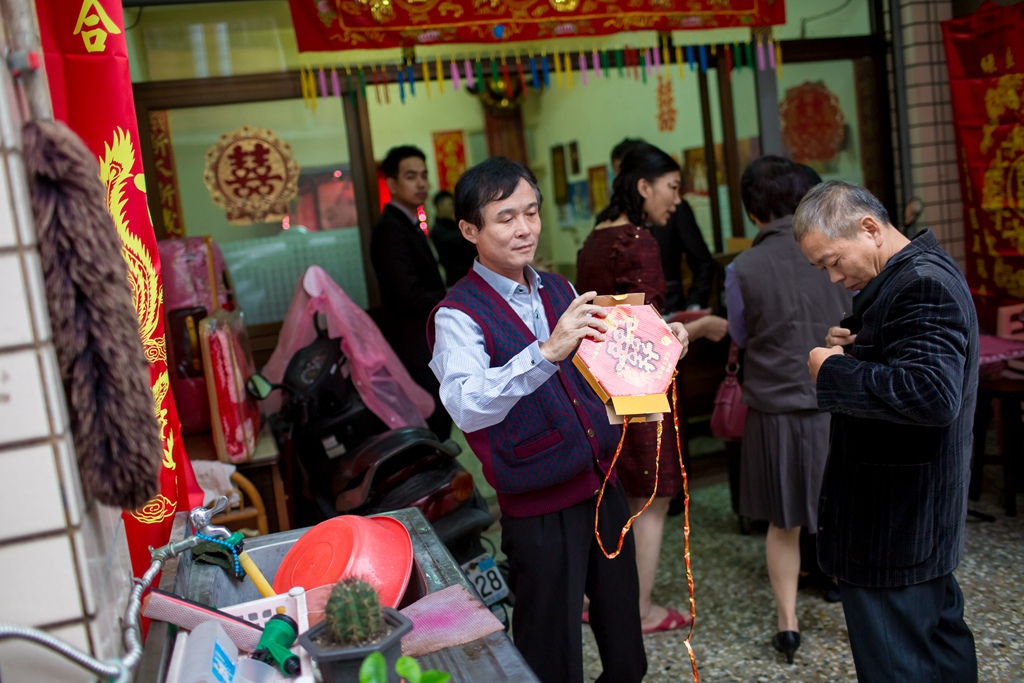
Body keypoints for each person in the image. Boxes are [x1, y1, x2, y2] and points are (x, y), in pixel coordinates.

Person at [428, 157, 690, 683]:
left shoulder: (560, 289)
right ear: (470, 230)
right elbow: (466, 405)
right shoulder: (456, 315)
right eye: (505, 218)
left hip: (603, 486)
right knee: (552, 659)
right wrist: (546, 352)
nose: (524, 228)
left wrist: (661, 348)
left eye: (531, 212)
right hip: (538, 507)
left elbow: (602, 373)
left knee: (628, 654)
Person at [796, 181, 979, 682]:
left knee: (899, 666)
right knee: (940, 650)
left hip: (896, 524)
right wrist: (854, 350)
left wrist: (832, 371)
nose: (835, 277)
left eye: (834, 261)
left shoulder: (920, 284)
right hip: (914, 519)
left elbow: (931, 394)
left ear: (870, 228)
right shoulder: (913, 274)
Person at [576, 142, 728, 635]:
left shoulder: (595, 237)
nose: (677, 200)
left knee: (615, 494)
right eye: (672, 188)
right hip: (637, 385)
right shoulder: (638, 240)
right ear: (644, 186)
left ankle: (597, 597)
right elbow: (647, 329)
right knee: (652, 497)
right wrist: (697, 328)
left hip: (598, 383)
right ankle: (638, 610)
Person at [724, 156, 852, 664]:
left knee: (783, 523)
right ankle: (857, 610)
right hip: (837, 401)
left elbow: (740, 334)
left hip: (774, 408)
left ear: (753, 211)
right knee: (845, 513)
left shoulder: (742, 268)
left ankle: (788, 624)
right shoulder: (835, 253)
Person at [370, 145, 452, 439]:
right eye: (411, 176)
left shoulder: (410, 223)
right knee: (432, 423)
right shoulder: (390, 230)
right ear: (392, 184)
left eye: (424, 175)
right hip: (414, 346)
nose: (421, 183)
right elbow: (409, 295)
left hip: (425, 341)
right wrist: (452, 299)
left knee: (440, 421)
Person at [611, 138, 716, 312]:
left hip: (673, 307)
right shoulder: (609, 223)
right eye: (618, 171)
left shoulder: (674, 208)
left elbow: (703, 262)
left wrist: (693, 306)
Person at [430, 189, 477, 286]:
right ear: (439, 206)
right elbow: (459, 241)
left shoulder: (454, 225)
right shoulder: (438, 230)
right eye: (449, 205)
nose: (452, 208)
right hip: (456, 280)